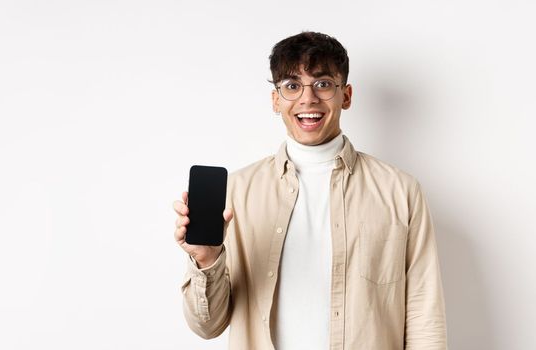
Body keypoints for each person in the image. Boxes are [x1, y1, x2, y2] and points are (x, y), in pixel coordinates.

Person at [173, 31, 447, 349]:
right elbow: (207, 326)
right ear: (276, 100)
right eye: (292, 86)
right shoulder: (237, 191)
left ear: (346, 94)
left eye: (323, 84)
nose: (308, 99)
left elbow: (425, 318)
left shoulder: (400, 191)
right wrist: (207, 259)